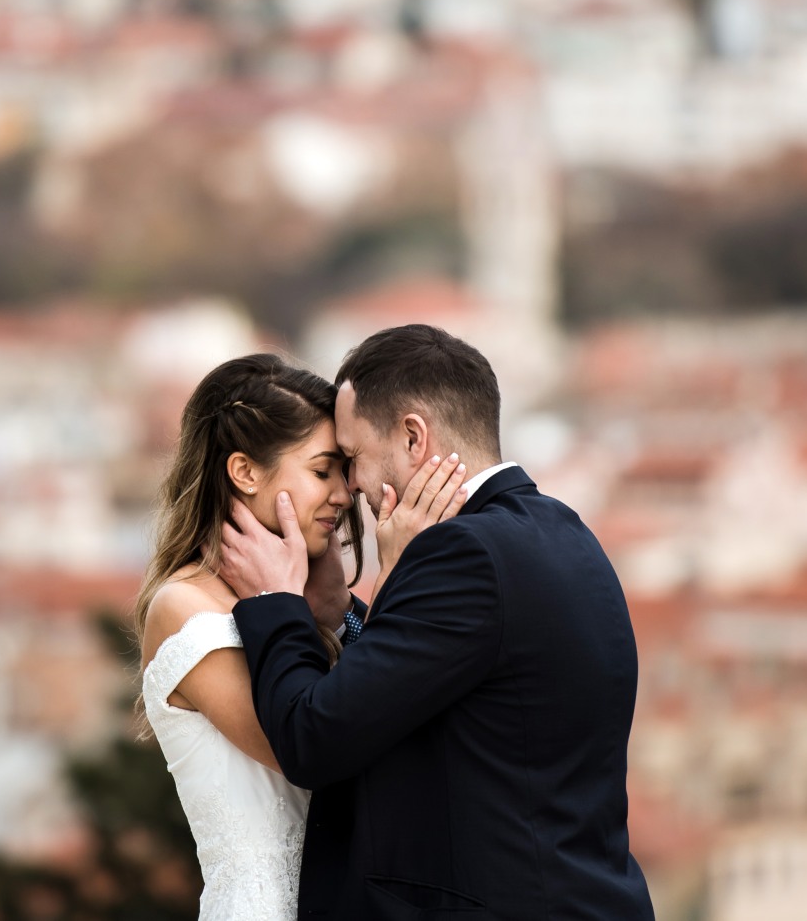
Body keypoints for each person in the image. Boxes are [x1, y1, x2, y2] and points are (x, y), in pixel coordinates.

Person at [221, 324, 655, 921]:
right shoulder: (561, 530)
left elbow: (313, 739)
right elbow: (420, 687)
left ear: (413, 437)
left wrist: (276, 601)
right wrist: (340, 614)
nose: (350, 489)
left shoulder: (462, 554)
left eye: (352, 458)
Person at [136, 352, 468, 921]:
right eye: (322, 471)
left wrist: (341, 615)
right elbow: (323, 754)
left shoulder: (299, 601)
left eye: (344, 469)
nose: (344, 493)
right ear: (244, 472)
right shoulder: (184, 609)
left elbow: (370, 706)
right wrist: (395, 578)